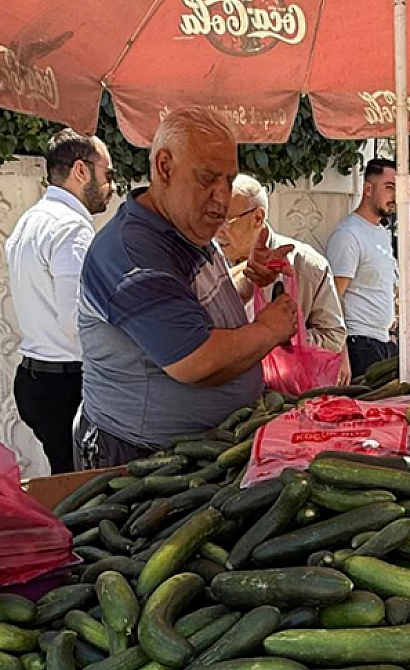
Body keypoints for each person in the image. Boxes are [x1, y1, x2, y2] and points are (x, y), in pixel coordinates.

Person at [75, 107, 295, 468]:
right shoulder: (134, 253)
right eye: (208, 178)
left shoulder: (184, 225)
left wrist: (248, 278)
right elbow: (194, 360)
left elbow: (196, 307)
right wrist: (269, 329)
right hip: (141, 461)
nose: (223, 198)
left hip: (197, 453)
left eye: (229, 179)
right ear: (164, 167)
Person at [5, 128, 113, 473]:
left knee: (67, 481)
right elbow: (77, 319)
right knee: (87, 491)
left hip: (38, 379)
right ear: (82, 171)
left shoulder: (31, 220)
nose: (112, 185)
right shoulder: (71, 227)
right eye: (108, 174)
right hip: (67, 386)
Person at [217, 174, 350, 382]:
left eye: (226, 221)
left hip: (284, 394)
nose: (218, 232)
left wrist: (285, 337)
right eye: (214, 219)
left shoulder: (306, 265)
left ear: (257, 218)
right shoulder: (208, 264)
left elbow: (333, 336)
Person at [327, 158, 400, 378]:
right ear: (368, 188)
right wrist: (342, 356)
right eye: (389, 187)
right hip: (359, 345)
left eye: (398, 188)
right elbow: (331, 300)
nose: (395, 196)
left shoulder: (381, 233)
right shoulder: (349, 235)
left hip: (383, 344)